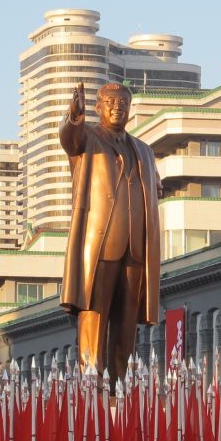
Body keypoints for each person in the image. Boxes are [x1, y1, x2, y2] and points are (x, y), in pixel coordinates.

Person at [59, 81, 162, 377]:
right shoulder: (87, 139)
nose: (119, 108)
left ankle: (122, 383)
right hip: (101, 241)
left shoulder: (143, 149)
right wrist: (74, 116)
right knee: (95, 313)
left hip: (135, 245)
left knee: (127, 320)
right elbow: (69, 138)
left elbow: (155, 187)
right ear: (99, 107)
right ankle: (92, 380)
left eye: (124, 103)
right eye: (112, 103)